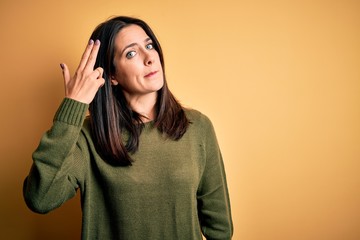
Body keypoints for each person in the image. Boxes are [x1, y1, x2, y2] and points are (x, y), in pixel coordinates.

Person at [23, 16, 233, 240]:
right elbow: (40, 198)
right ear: (111, 76)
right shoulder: (86, 137)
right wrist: (71, 108)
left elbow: (220, 229)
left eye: (149, 45)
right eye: (131, 53)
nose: (149, 57)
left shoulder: (197, 127)